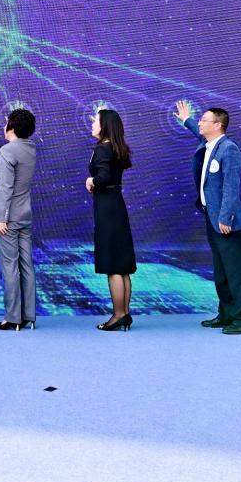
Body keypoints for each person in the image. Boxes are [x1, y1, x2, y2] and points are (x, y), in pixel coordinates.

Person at [175, 101, 241, 335]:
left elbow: (231, 186)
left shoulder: (228, 148)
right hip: (212, 218)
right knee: (222, 271)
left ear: (218, 125)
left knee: (236, 272)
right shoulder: (209, 144)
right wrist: (186, 119)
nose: (200, 123)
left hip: (227, 222)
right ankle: (227, 313)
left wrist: (225, 217)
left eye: (204, 120)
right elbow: (196, 131)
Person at [86, 108, 136, 331]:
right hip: (116, 206)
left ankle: (118, 315)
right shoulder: (116, 148)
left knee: (113, 265)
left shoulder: (102, 148)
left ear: (105, 125)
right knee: (121, 265)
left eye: (95, 120)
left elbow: (104, 177)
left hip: (107, 210)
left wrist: (91, 181)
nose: (92, 123)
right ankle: (124, 314)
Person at [0, 108, 38, 331]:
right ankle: (29, 316)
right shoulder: (30, 148)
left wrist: (2, 217)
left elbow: (5, 187)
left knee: (10, 265)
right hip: (25, 214)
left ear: (11, 126)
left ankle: (12, 318)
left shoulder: (7, 150)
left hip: (9, 217)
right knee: (26, 264)